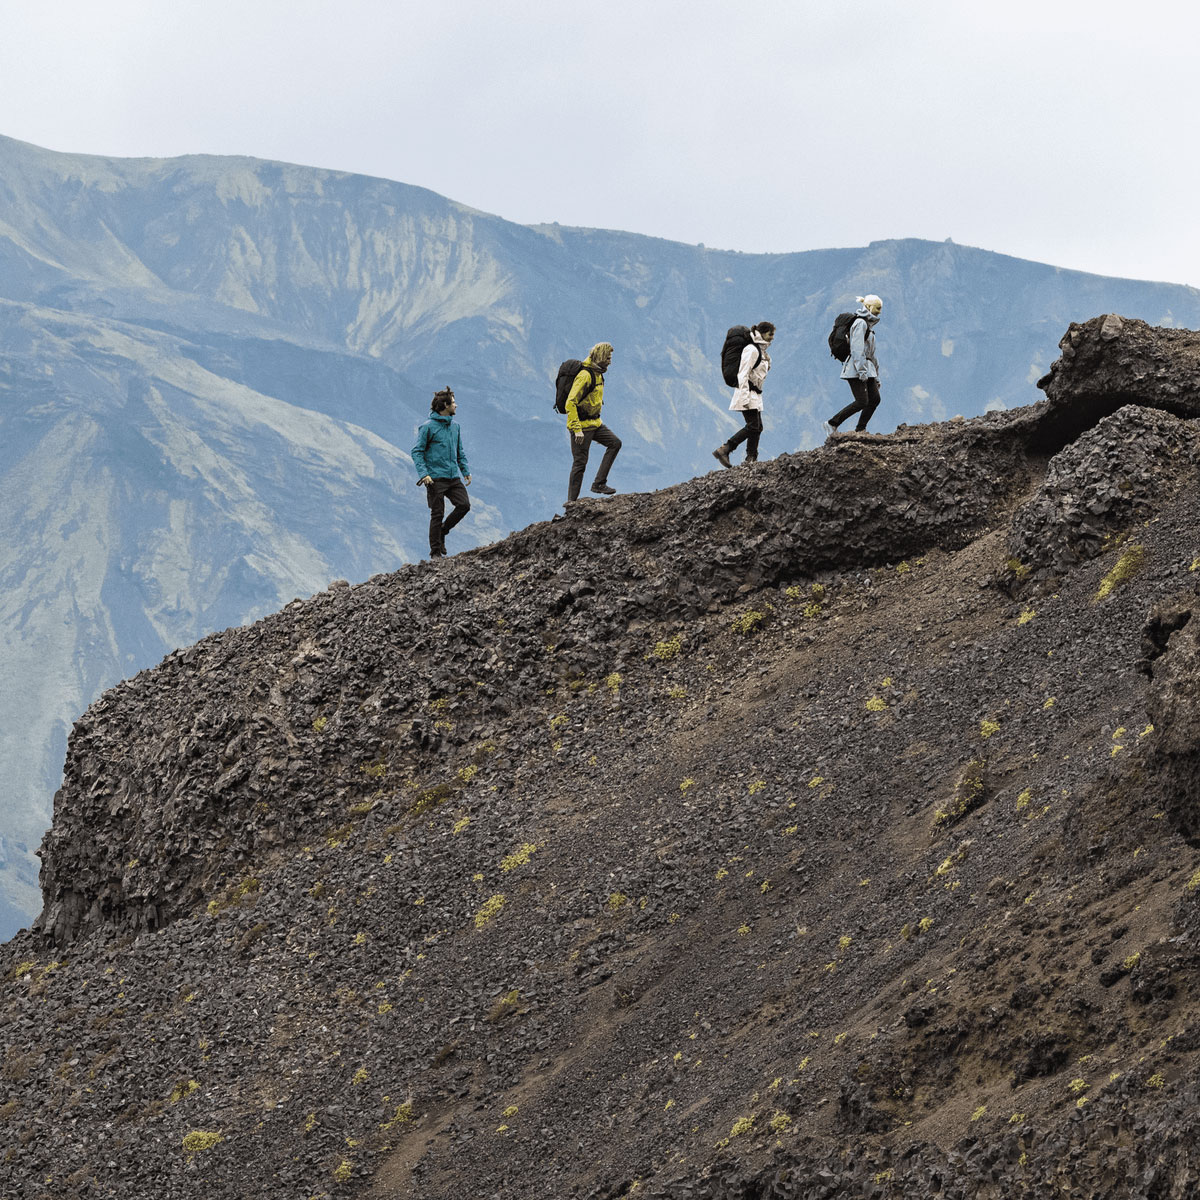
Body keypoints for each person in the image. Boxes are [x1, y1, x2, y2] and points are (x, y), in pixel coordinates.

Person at [412, 386, 471, 558]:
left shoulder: (455, 427)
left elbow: (460, 451)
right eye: (453, 403)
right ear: (445, 405)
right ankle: (435, 553)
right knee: (437, 514)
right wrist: (424, 474)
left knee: (464, 505)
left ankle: (443, 531)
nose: (456, 406)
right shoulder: (427, 427)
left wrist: (465, 470)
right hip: (435, 478)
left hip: (453, 477)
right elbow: (417, 451)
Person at [713, 322, 775, 468]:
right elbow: (743, 373)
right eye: (770, 334)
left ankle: (751, 457)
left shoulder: (761, 351)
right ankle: (725, 449)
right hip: (746, 393)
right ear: (763, 333)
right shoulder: (751, 349)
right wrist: (745, 397)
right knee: (754, 425)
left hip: (754, 394)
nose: (772, 338)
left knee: (757, 426)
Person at [566, 342, 621, 501]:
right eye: (609, 357)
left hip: (595, 424)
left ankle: (599, 484)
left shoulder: (598, 373)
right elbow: (570, 402)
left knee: (615, 443)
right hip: (581, 427)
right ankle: (572, 503)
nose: (610, 361)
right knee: (580, 464)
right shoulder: (585, 375)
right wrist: (577, 429)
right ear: (602, 357)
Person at [824, 295, 882, 434]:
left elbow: (871, 354)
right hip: (856, 369)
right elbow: (857, 350)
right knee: (862, 401)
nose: (879, 311)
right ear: (869, 307)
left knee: (874, 399)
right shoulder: (860, 324)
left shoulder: (867, 325)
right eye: (877, 308)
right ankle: (832, 423)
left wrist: (876, 376)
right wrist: (862, 371)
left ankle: (860, 429)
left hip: (867, 369)